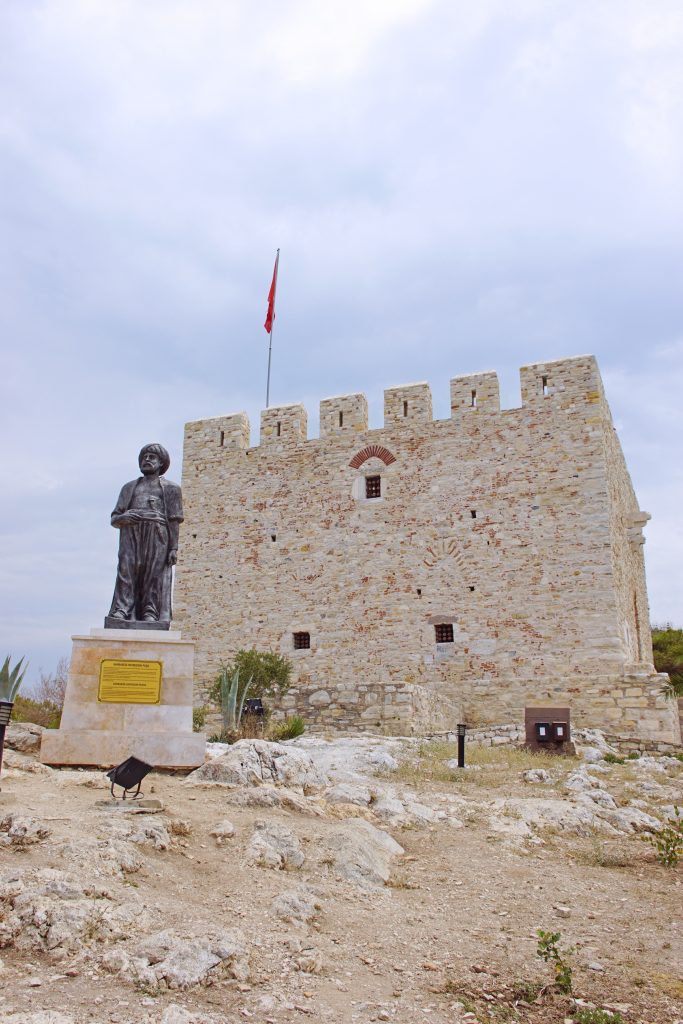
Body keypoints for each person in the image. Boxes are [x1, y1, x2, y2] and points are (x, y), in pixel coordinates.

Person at [106, 444, 183, 627]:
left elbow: (174, 520)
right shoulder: (129, 487)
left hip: (157, 534)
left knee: (153, 574)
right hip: (131, 532)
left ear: (161, 463)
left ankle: (151, 611)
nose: (147, 460)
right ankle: (122, 609)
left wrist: (173, 548)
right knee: (127, 570)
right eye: (144, 457)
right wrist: (124, 517)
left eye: (152, 457)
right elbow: (114, 518)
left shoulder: (171, 489)